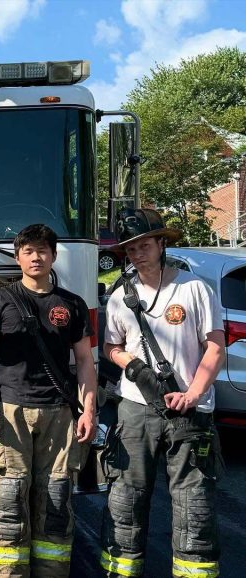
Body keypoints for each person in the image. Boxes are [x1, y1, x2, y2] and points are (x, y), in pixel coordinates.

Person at [99, 208, 224, 578]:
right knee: (126, 497)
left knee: (193, 502)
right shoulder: (121, 296)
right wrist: (132, 365)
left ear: (162, 244)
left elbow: (214, 347)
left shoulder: (194, 288)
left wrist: (193, 394)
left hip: (190, 410)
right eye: (130, 249)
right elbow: (110, 346)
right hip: (136, 409)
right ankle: (121, 571)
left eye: (144, 245)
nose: (137, 253)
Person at [0, 223, 97, 578]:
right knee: (9, 500)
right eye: (28, 251)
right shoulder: (0, 300)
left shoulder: (71, 304)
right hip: (10, 410)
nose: (36, 257)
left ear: (54, 256)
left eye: (43, 250)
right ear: (17, 258)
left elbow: (85, 361)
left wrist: (87, 410)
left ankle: (52, 573)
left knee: (56, 499)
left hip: (59, 413)